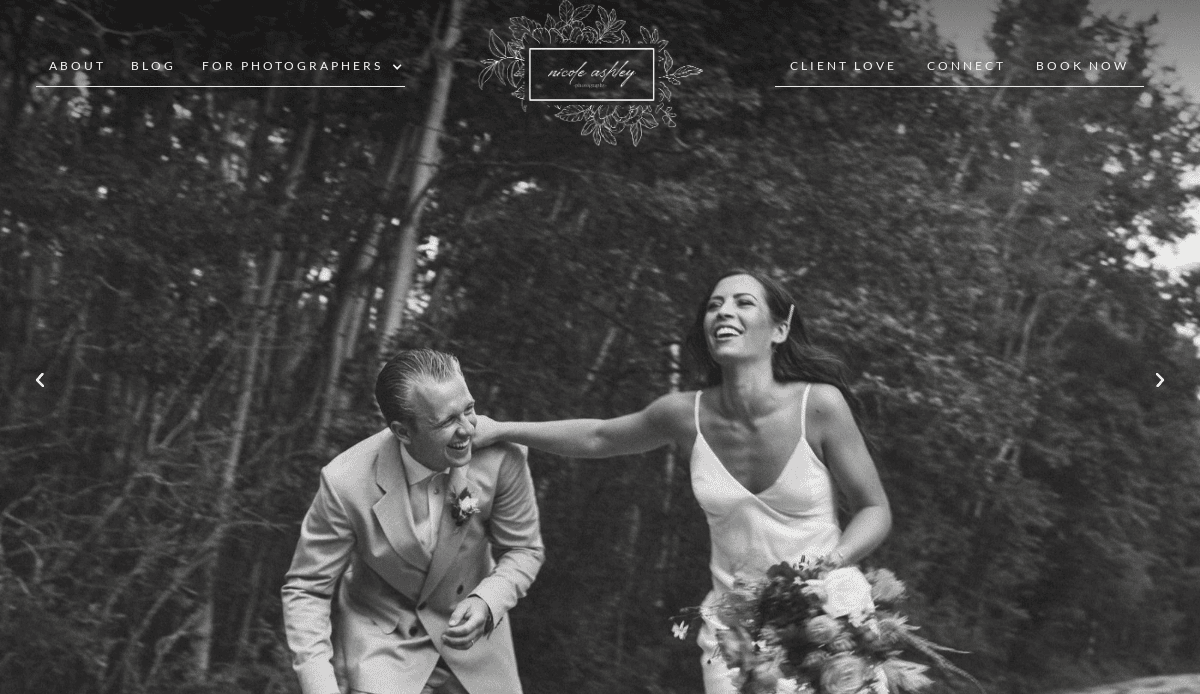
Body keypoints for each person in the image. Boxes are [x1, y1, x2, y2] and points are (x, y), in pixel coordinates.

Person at [472, 270, 891, 693]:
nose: (723, 311)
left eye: (743, 302)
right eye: (714, 305)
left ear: (780, 329)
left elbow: (874, 509)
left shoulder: (819, 405)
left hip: (829, 622)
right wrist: (504, 429)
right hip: (736, 637)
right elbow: (598, 436)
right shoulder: (682, 414)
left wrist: (830, 565)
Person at [282, 349, 544, 694]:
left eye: (469, 409)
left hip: (477, 648)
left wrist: (488, 600)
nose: (468, 429)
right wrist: (321, 686)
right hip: (384, 649)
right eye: (447, 421)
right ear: (403, 431)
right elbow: (307, 589)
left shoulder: (500, 456)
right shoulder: (345, 481)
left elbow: (524, 549)